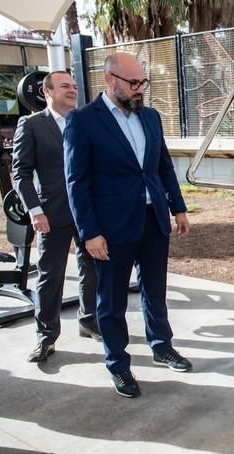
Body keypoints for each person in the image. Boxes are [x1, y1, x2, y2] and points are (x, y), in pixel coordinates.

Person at [64, 52, 191, 398]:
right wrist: (89, 232)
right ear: (110, 80)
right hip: (111, 227)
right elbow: (77, 181)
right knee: (112, 300)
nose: (139, 90)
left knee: (155, 291)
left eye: (142, 83)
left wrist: (178, 208)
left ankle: (161, 346)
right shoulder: (83, 121)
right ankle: (118, 365)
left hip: (153, 220)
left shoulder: (150, 117)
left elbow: (162, 166)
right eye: (133, 83)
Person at [12, 71, 100, 363]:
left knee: (92, 268)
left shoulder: (85, 123)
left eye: (74, 86)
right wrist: (35, 211)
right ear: (47, 91)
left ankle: (89, 322)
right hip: (52, 214)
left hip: (86, 212)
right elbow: (21, 174)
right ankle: (46, 337)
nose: (73, 90)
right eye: (65, 86)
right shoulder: (32, 125)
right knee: (50, 277)